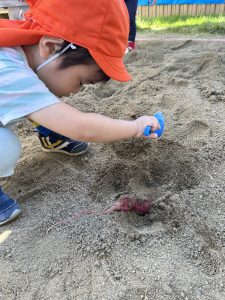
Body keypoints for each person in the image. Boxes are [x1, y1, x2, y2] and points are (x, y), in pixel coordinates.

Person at [0, 0, 160, 225]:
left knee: (44, 91)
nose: (77, 90)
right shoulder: (7, 70)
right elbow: (80, 126)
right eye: (82, 81)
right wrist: (135, 127)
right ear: (51, 47)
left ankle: (49, 131)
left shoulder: (18, 53)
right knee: (5, 147)